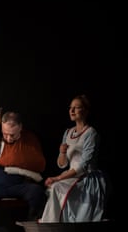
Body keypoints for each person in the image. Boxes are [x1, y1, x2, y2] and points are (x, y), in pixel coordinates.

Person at [39, 95, 110, 223]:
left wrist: (57, 178)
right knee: (54, 186)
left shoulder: (90, 133)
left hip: (86, 178)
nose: (72, 111)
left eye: (76, 108)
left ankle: (58, 225)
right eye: (70, 108)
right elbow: (62, 164)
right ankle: (55, 226)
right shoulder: (68, 132)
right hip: (71, 175)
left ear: (86, 111)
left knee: (56, 186)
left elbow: (82, 166)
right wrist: (62, 153)